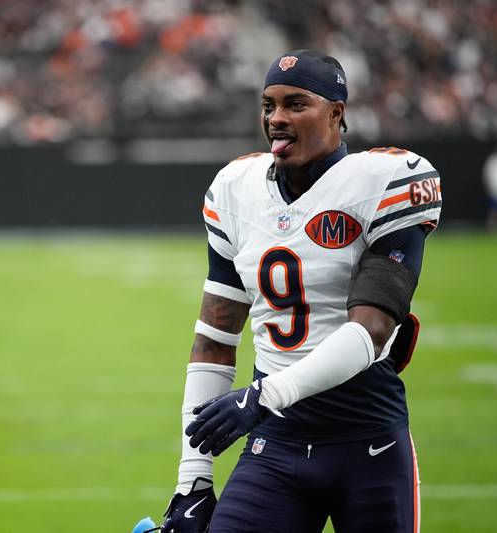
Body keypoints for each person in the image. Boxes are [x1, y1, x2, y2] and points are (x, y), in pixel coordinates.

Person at [158, 50, 442, 533]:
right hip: (275, 445)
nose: (276, 119)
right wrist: (193, 481)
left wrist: (263, 396)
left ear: (337, 112)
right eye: (268, 106)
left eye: (295, 104)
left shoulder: (384, 182)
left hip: (367, 441)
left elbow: (371, 332)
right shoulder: (235, 189)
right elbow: (214, 340)